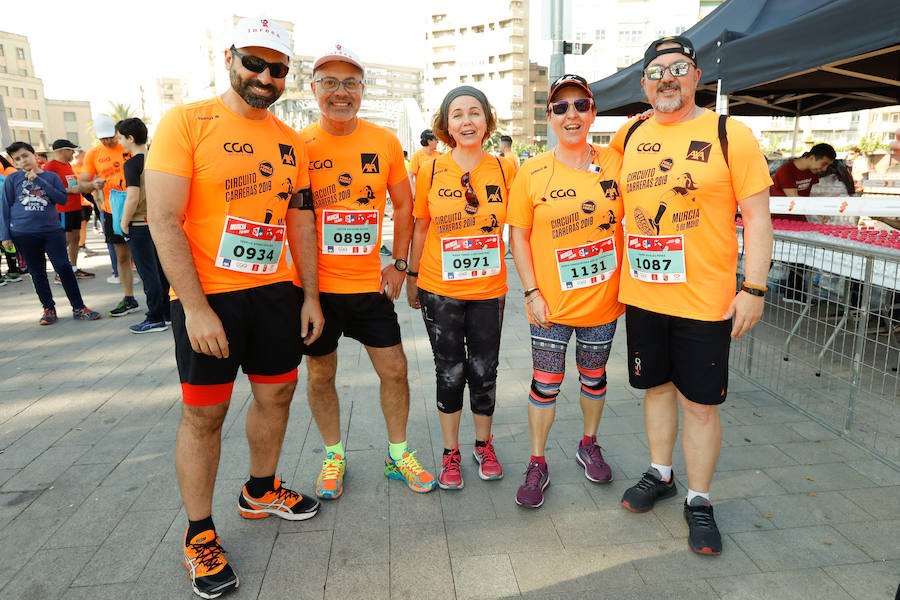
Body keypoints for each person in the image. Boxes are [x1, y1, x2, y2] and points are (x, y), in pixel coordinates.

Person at [146, 18, 323, 599]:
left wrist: (310, 295)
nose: (265, 77)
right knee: (205, 415)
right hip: (208, 297)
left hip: (274, 294)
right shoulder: (184, 122)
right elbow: (163, 219)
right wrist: (194, 308)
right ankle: (200, 535)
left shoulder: (290, 142)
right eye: (255, 63)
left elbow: (300, 219)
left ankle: (261, 490)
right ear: (230, 58)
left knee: (277, 394)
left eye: (278, 70)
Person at [610, 36, 773, 555]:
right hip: (643, 295)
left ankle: (699, 499)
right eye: (656, 72)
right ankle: (661, 474)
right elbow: (600, 196)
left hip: (706, 301)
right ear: (644, 85)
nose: (667, 79)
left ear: (695, 76)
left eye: (678, 68)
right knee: (655, 390)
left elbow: (759, 219)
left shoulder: (731, 134)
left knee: (700, 406)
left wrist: (754, 287)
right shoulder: (630, 134)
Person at [298, 43, 435, 500]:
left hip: (369, 286)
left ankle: (398, 455)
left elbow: (404, 204)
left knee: (395, 370)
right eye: (331, 83)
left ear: (362, 89)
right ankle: (333, 455)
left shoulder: (383, 141)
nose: (342, 92)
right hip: (316, 289)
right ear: (314, 88)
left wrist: (398, 264)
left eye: (351, 83)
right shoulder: (298, 144)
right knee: (321, 376)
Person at [506, 74, 624, 508]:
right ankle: (537, 462)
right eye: (560, 107)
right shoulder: (532, 171)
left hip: (603, 304)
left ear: (592, 112)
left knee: (594, 378)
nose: (571, 114)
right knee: (546, 384)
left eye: (580, 105)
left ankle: (588, 444)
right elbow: (518, 235)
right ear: (550, 117)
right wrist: (531, 291)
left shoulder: (616, 162)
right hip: (550, 306)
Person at [406, 86, 511, 489]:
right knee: (449, 372)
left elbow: (522, 224)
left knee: (484, 371)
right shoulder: (432, 168)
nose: (466, 121)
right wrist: (412, 278)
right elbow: (420, 225)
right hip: (439, 288)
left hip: (488, 291)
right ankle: (450, 452)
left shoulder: (506, 168)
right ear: (446, 124)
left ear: (487, 120)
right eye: (457, 115)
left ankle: (483, 445)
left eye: (474, 113)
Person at [1, 141, 102, 323]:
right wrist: (5, 235)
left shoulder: (50, 176)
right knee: (36, 272)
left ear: (35, 156)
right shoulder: (12, 180)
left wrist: (37, 179)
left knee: (63, 267)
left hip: (51, 231)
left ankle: (79, 307)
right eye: (17, 159)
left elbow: (62, 199)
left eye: (25, 156)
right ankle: (48, 309)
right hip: (23, 233)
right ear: (14, 163)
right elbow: (5, 207)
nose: (23, 161)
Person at [116, 117, 171, 333]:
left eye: (121, 137)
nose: (120, 142)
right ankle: (166, 313)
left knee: (148, 274)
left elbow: (132, 197)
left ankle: (155, 317)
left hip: (140, 223)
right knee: (162, 270)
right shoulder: (160, 158)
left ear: (130, 138)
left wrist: (123, 222)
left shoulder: (133, 163)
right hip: (161, 221)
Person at [79, 115, 140, 314]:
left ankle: (162, 298)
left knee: (147, 255)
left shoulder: (128, 145)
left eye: (111, 136)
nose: (108, 141)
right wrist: (93, 185)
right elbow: (83, 183)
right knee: (122, 256)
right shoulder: (93, 154)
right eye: (103, 138)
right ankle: (129, 297)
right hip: (112, 210)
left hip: (140, 207)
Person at [44, 139, 95, 280]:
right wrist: (69, 190)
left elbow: (72, 184)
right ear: (60, 151)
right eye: (70, 150)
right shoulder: (50, 166)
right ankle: (60, 272)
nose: (73, 152)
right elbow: (46, 188)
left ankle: (73, 268)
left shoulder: (67, 165)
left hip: (75, 207)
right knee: (64, 241)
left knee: (75, 239)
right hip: (62, 209)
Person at [771, 143, 836, 199]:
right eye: (823, 164)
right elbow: (794, 199)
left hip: (802, 211)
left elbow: (814, 193)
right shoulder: (786, 171)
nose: (824, 169)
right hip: (782, 212)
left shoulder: (813, 170)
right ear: (812, 158)